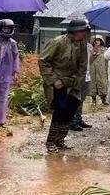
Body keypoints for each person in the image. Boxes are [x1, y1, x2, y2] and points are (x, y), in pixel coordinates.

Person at [38, 19, 89, 152]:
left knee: (70, 111)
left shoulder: (82, 45)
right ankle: (51, 142)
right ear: (75, 31)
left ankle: (60, 140)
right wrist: (54, 80)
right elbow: (43, 61)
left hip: (74, 83)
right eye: (83, 31)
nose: (85, 34)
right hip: (58, 83)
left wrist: (77, 83)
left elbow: (83, 65)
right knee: (59, 110)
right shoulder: (58, 42)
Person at [72, 25, 93, 131]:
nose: (86, 36)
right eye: (85, 33)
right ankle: (73, 120)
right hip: (78, 76)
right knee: (76, 99)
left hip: (87, 76)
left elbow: (90, 61)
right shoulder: (75, 45)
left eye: (88, 34)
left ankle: (79, 119)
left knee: (82, 99)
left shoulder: (89, 46)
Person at [89, 36, 109, 105]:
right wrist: (94, 54)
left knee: (103, 83)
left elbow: (107, 60)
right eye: (95, 40)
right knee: (93, 84)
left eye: (98, 40)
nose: (97, 41)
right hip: (93, 70)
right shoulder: (91, 50)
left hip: (102, 69)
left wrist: (107, 69)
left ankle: (104, 99)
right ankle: (93, 99)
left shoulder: (105, 50)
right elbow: (89, 60)